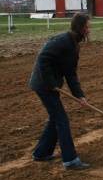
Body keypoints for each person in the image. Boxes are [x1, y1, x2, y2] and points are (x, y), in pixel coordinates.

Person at [30, 13, 91, 170]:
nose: (89, 30)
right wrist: (50, 83)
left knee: (55, 118)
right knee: (61, 120)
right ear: (80, 28)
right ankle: (70, 160)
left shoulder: (74, 46)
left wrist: (80, 95)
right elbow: (43, 58)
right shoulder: (63, 41)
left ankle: (41, 152)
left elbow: (71, 74)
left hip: (50, 84)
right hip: (43, 84)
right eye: (87, 26)